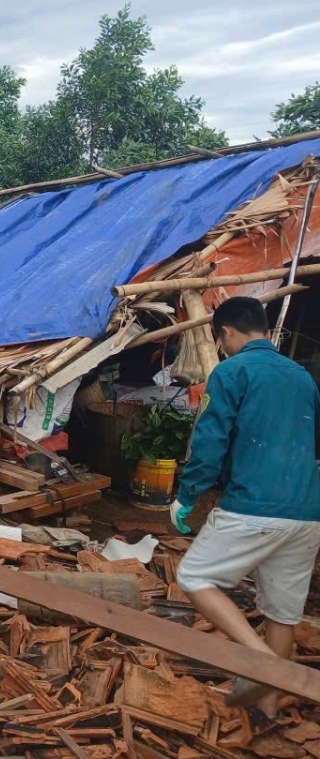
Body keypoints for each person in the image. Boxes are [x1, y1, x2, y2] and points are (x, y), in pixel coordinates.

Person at [171, 296, 320, 717]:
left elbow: (210, 440)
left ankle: (266, 667)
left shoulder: (231, 371)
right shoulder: (302, 377)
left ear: (228, 332)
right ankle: (267, 713)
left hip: (254, 506)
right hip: (308, 512)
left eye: (221, 339)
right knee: (281, 613)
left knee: (194, 575)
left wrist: (188, 494)